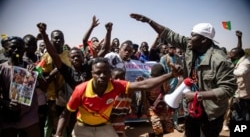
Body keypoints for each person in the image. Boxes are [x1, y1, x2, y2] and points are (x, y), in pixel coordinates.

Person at [130, 13, 237, 137]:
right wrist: (148, 21)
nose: (189, 38)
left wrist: (198, 95)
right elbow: (169, 34)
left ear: (204, 40)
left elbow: (228, 89)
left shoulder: (220, 60)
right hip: (190, 109)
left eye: (193, 36)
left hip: (210, 113)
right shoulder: (190, 46)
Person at [54, 57, 183, 137]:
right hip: (83, 128)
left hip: (104, 126)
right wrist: (58, 134)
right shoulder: (80, 89)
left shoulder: (116, 85)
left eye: (105, 72)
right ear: (92, 74)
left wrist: (171, 75)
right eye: (98, 73)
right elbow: (66, 113)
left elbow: (144, 84)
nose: (102, 76)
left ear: (110, 73)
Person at [0, 36, 40, 137]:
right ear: (7, 48)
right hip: (8, 115)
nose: (16, 50)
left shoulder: (29, 67)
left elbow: (44, 86)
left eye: (20, 48)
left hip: (29, 115)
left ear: (24, 50)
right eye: (13, 47)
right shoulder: (2, 69)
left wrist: (36, 73)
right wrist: (5, 103)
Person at [145, 63, 176, 137]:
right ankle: (157, 134)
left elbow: (166, 94)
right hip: (152, 108)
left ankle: (153, 135)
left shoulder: (164, 82)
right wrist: (146, 107)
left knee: (169, 128)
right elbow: (144, 97)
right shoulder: (148, 83)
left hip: (162, 107)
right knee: (158, 128)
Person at [160, 44, 184, 133]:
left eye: (173, 48)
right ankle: (166, 123)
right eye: (170, 48)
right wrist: (164, 84)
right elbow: (161, 71)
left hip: (176, 84)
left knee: (176, 103)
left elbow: (181, 69)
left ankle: (175, 122)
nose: (172, 50)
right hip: (167, 84)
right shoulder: (164, 58)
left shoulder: (178, 58)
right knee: (165, 104)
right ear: (168, 49)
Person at [228, 47, 250, 135]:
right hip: (244, 96)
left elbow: (241, 72)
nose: (230, 55)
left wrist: (228, 70)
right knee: (245, 117)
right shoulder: (242, 61)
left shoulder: (245, 63)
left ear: (238, 55)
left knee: (238, 118)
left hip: (242, 97)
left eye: (231, 54)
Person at [110, 68, 132, 137]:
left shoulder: (127, 92)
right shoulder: (110, 93)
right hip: (108, 124)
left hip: (120, 124)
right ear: (111, 79)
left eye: (122, 78)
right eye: (116, 78)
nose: (119, 80)